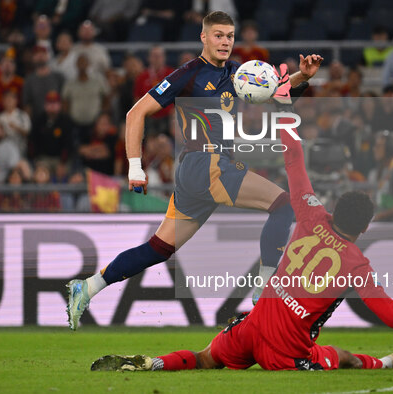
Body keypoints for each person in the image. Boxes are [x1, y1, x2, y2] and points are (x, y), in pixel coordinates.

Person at [90, 82, 393, 371]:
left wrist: (286, 107)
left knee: (207, 358)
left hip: (251, 326)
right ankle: (384, 364)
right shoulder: (356, 262)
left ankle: (156, 363)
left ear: (333, 210)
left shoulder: (310, 212)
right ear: (365, 227)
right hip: (285, 351)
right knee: (341, 358)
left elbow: (293, 159)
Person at [65, 11, 324, 330]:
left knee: (158, 249)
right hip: (206, 164)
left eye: (229, 36)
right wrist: (135, 166)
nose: (225, 42)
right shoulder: (188, 74)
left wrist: (303, 77)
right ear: (203, 37)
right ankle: (265, 291)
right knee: (284, 206)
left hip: (199, 173)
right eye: (218, 35)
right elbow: (136, 114)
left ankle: (87, 288)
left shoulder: (237, 73)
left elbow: (276, 94)